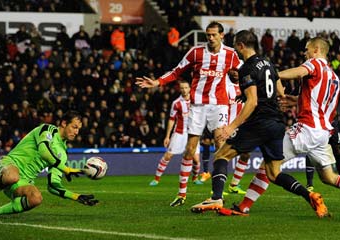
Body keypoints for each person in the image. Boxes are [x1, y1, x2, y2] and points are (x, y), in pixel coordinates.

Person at [229, 36, 340, 216]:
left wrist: (271, 74)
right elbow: (321, 103)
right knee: (329, 177)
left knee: (268, 166)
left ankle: (244, 206)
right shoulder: (334, 77)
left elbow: (298, 72)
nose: (305, 53)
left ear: (317, 50)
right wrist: (296, 101)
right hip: (323, 133)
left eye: (307, 49)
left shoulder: (315, 64)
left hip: (306, 128)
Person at [190, 29, 326, 218]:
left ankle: (216, 197)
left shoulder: (246, 68)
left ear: (240, 46)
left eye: (236, 46)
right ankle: (310, 195)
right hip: (276, 124)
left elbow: (252, 101)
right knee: (274, 173)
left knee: (221, 155)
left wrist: (231, 126)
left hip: (259, 122)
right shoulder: (269, 63)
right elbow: (279, 91)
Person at [136, 21, 241, 207]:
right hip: (198, 106)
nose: (210, 38)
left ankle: (217, 194)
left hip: (219, 105)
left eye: (214, 35)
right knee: (190, 150)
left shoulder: (231, 54)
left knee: (221, 146)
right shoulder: (196, 52)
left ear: (222, 36)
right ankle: (181, 194)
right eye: (207, 35)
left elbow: (244, 71)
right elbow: (177, 71)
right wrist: (157, 82)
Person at [0, 111, 98, 222]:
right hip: (10, 164)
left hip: (24, 181)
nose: (77, 132)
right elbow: (44, 152)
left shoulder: (63, 153)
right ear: (63, 123)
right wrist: (67, 169)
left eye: (79, 129)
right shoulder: (47, 129)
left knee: (36, 198)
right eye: (74, 127)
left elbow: (53, 185)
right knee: (12, 176)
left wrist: (76, 196)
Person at [149, 81, 202, 186]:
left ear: (190, 88)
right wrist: (167, 136)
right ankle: (156, 179)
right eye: (182, 88)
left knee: (196, 160)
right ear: (180, 89)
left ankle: (195, 178)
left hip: (192, 133)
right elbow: (172, 119)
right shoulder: (176, 103)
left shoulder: (196, 100)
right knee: (168, 156)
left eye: (186, 87)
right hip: (179, 133)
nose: (184, 90)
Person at [305, 91, 340, 191]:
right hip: (318, 124)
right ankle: (309, 183)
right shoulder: (316, 83)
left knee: (337, 151)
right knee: (311, 150)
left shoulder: (335, 84)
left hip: (332, 124)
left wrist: (337, 110)